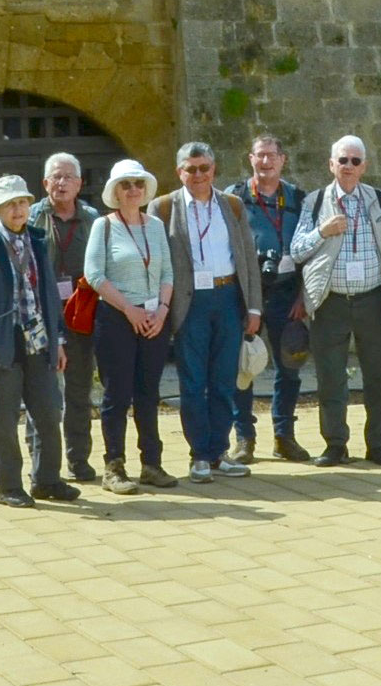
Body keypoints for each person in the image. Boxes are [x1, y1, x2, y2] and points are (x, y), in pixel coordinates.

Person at [0, 175, 82, 508]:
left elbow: (49, 298)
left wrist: (57, 341)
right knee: (6, 417)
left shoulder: (37, 241)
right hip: (2, 343)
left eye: (23, 203)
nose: (18, 210)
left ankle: (47, 480)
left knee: (47, 411)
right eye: (11, 204)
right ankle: (9, 486)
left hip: (39, 340)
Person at [155, 141, 263, 483]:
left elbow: (248, 258)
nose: (198, 175)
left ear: (214, 169)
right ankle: (198, 455)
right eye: (191, 169)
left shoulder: (231, 205)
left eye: (204, 168)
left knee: (223, 381)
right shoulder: (164, 208)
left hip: (228, 296)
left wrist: (253, 307)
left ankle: (218, 452)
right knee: (192, 382)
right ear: (179, 172)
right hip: (190, 303)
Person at [290, 134, 381, 466]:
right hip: (330, 300)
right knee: (331, 377)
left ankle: (378, 444)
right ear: (331, 164)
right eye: (342, 160)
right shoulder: (315, 201)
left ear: (364, 166)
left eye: (355, 161)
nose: (348, 166)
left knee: (379, 376)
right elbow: (296, 251)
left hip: (374, 299)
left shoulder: (377, 198)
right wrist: (322, 231)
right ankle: (335, 444)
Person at [83, 159, 178, 494]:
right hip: (117, 319)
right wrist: (129, 309)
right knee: (117, 395)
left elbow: (167, 272)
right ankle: (114, 467)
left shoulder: (154, 225)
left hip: (154, 319)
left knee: (149, 394)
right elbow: (95, 274)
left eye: (138, 184)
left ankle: (152, 464)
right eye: (126, 185)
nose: (133, 190)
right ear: (115, 191)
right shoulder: (103, 226)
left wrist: (162, 310)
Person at [226, 133, 309, 462]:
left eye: (271, 156)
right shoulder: (234, 198)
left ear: (282, 160)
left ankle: (284, 435)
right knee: (243, 367)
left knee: (290, 366)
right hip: (247, 292)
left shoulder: (299, 198)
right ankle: (244, 437)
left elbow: (309, 251)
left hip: (287, 293)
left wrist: (303, 295)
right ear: (251, 159)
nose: (265, 162)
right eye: (260, 156)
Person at [31, 152, 101, 482]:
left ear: (80, 184)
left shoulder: (92, 219)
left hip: (79, 315)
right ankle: (41, 461)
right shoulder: (30, 218)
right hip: (41, 316)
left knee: (78, 390)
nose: (61, 183)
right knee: (41, 392)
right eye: (55, 177)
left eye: (68, 177)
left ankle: (78, 459)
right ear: (45, 183)